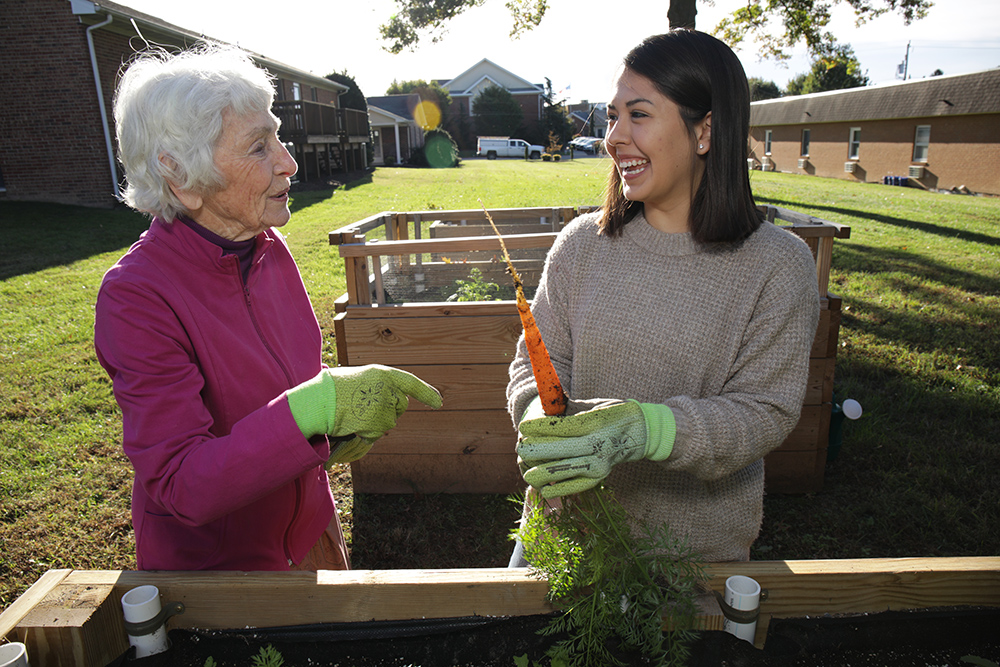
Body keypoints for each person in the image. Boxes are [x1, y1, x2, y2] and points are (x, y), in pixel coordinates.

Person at [95, 44, 441, 572]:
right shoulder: (136, 297)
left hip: (311, 538)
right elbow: (179, 483)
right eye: (259, 147)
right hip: (222, 579)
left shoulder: (266, 248)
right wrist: (314, 407)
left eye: (276, 135)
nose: (289, 161)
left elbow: (279, 391)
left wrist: (331, 425)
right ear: (179, 176)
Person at [507, 30, 820, 563]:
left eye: (639, 115)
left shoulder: (778, 266)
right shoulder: (582, 245)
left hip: (690, 567)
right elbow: (534, 364)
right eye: (611, 116)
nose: (613, 137)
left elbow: (763, 411)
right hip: (561, 548)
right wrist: (538, 414)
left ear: (705, 132)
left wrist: (645, 430)